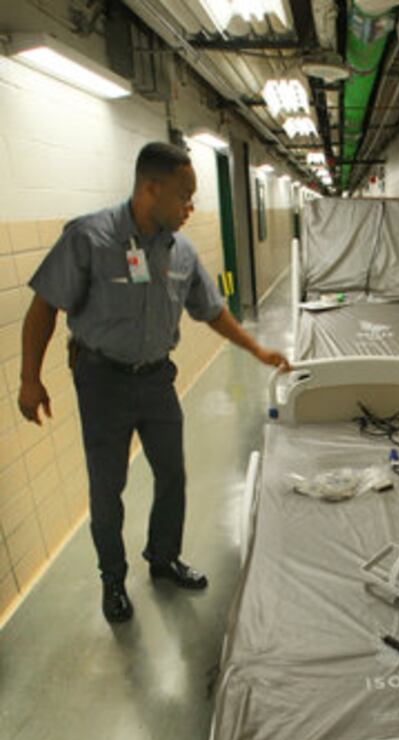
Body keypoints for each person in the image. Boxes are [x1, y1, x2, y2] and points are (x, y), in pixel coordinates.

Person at [17, 141, 289, 625]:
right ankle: (113, 580)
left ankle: (163, 558)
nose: (191, 207)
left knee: (172, 474)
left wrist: (256, 349)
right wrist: (29, 379)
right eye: (184, 196)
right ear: (150, 189)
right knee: (108, 487)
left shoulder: (180, 251)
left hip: (157, 379)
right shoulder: (89, 238)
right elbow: (44, 306)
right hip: (102, 380)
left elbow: (211, 311)